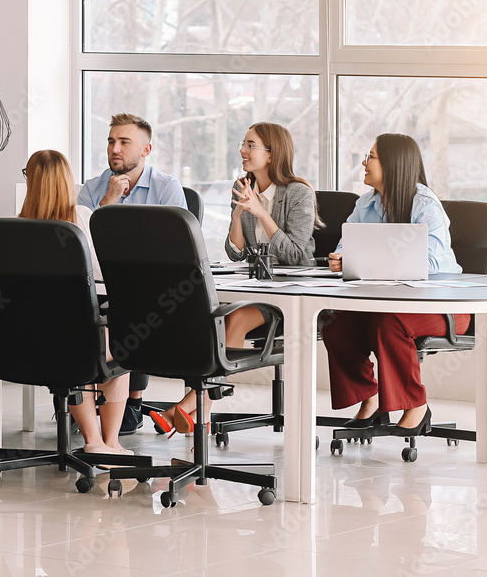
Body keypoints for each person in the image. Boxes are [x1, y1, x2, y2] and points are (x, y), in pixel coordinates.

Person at [153, 122, 318, 435]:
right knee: (208, 314)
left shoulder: (298, 193)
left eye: (250, 145)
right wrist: (237, 214)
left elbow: (296, 254)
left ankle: (190, 402)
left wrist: (260, 213)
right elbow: (236, 252)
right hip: (257, 288)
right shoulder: (244, 186)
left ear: (271, 154)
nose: (242, 150)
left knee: (236, 318)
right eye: (243, 143)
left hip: (292, 296)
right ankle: (199, 408)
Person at [322, 133, 467, 437]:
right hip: (385, 304)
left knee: (389, 323)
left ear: (392, 163)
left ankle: (416, 404)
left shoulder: (425, 205)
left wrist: (376, 260)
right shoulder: (366, 204)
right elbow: (346, 244)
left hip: (445, 307)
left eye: (370, 157)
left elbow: (435, 265)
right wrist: (341, 259)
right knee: (335, 323)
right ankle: (368, 398)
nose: (363, 162)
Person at [77, 113, 187, 435]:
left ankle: (131, 401)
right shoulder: (92, 189)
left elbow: (178, 247)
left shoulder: (167, 189)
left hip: (152, 288)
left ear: (146, 149)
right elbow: (82, 247)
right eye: (111, 141)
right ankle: (87, 399)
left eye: (125, 142)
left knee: (131, 311)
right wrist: (108, 202)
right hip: (100, 284)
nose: (115, 149)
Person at [20, 149, 132, 456]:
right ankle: (108, 443)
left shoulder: (12, 228)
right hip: (79, 336)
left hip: (25, 340)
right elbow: (104, 277)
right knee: (117, 350)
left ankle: (94, 441)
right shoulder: (81, 219)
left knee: (74, 353)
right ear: (67, 182)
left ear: (30, 181)